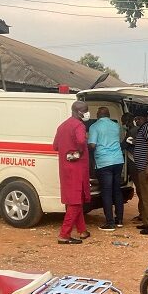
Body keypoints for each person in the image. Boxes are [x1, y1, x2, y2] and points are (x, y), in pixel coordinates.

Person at [53, 101, 91, 245]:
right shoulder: (79, 125)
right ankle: (64, 234)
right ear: (78, 111)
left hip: (65, 168)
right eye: (86, 110)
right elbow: (81, 140)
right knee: (75, 202)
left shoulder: (62, 125)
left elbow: (55, 146)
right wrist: (80, 150)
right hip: (77, 169)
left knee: (75, 199)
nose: (87, 113)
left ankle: (82, 230)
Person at [88, 107, 124, 231]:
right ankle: (119, 220)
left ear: (98, 115)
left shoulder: (94, 127)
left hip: (104, 162)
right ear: (108, 115)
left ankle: (109, 222)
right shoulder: (115, 125)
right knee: (117, 191)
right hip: (118, 160)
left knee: (106, 192)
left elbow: (92, 145)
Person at [121, 112, 142, 223]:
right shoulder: (137, 129)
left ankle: (143, 214)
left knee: (140, 190)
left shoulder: (132, 131)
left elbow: (123, 146)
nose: (123, 124)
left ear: (128, 122)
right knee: (140, 190)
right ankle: (142, 213)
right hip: (138, 163)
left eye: (124, 122)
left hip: (135, 164)